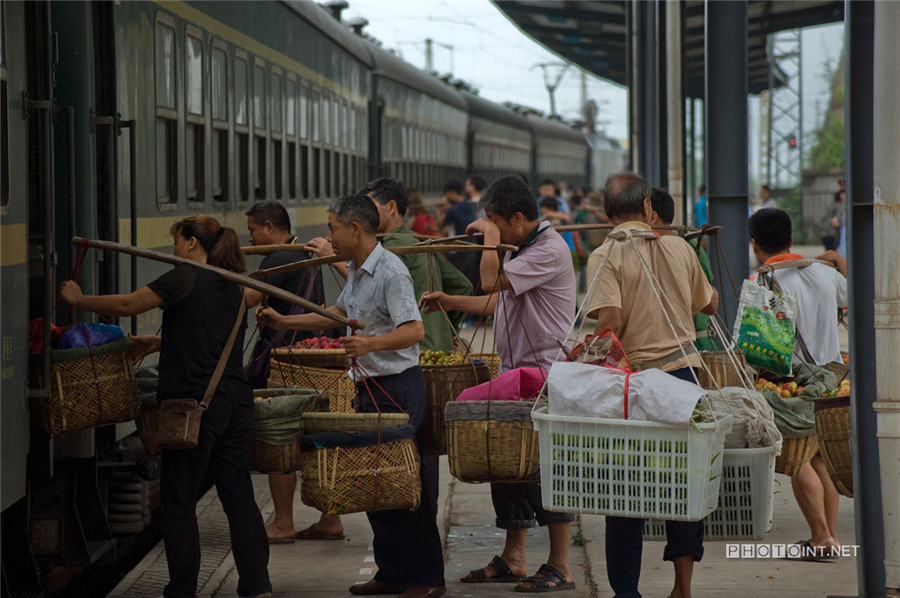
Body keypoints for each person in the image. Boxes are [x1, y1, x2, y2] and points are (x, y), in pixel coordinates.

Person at [58, 215, 272, 598]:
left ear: (191, 243)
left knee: (178, 502)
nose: (174, 250)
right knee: (238, 499)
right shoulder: (234, 283)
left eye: (176, 241)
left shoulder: (184, 275)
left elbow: (128, 303)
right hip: (236, 404)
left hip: (193, 406)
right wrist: (157, 343)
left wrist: (78, 299)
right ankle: (257, 586)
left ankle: (182, 589)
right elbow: (206, 332)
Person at [256, 194, 445, 598]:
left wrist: (369, 345)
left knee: (405, 485)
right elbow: (339, 314)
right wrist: (283, 318)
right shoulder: (359, 270)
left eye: (332, 229)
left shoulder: (391, 272)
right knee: (375, 481)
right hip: (370, 387)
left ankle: (427, 578)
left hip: (397, 387)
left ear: (355, 229)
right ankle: (391, 572)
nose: (329, 237)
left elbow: (414, 330)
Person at [420, 174, 577, 593]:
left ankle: (561, 564)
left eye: (495, 220)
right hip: (517, 372)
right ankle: (514, 555)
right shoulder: (524, 248)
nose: (490, 228)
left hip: (544, 374)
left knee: (546, 468)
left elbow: (491, 282)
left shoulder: (548, 249)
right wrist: (451, 302)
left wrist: (488, 237)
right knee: (510, 465)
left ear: (518, 218)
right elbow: (497, 299)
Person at [584, 173, 718, 598]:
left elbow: (610, 324)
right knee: (684, 483)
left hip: (637, 385)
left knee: (624, 493)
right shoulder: (678, 246)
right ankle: (682, 587)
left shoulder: (606, 254)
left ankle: (627, 592)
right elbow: (710, 304)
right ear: (647, 208)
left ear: (608, 216)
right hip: (685, 376)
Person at [748, 208, 847, 556]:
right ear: (791, 240)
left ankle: (821, 536)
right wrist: (838, 259)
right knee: (823, 459)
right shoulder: (824, 273)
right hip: (833, 381)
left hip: (797, 386)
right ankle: (828, 537)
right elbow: (852, 301)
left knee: (796, 461)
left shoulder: (762, 282)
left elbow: (753, 348)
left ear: (755, 245)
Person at [242, 201, 336, 544]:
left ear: (269, 227)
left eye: (252, 230)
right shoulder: (303, 252)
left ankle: (283, 523)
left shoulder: (279, 258)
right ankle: (330, 519)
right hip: (313, 359)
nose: (249, 238)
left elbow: (247, 298)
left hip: (288, 364)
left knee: (282, 438)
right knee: (317, 439)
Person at [649, 188, 717, 352]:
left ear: (652, 216)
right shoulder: (648, 248)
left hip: (693, 347)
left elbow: (710, 301)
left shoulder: (688, 248)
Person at [439, 178, 480, 290]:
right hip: (472, 249)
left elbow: (440, 225)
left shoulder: (453, 210)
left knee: (457, 283)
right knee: (469, 282)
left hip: (458, 251)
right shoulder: (470, 206)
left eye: (447, 194)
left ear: (451, 193)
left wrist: (439, 209)